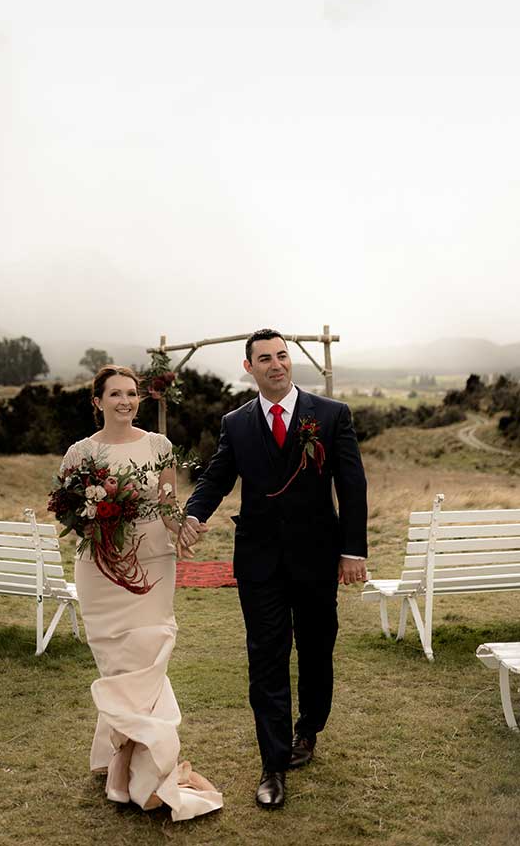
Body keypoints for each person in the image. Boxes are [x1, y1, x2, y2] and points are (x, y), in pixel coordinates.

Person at [181, 329, 367, 809]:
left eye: (282, 355)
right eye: (264, 358)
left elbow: (352, 485)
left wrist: (353, 550)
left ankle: (309, 729)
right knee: (266, 658)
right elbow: (217, 477)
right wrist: (193, 514)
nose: (276, 364)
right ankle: (273, 763)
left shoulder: (332, 415)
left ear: (290, 361)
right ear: (250, 368)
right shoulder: (236, 423)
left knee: (317, 650)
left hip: (317, 558)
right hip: (259, 561)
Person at [60, 365, 223, 822]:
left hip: (152, 565)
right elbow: (70, 516)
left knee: (147, 660)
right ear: (97, 402)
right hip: (100, 569)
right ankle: (123, 760)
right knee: (118, 666)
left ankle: (125, 764)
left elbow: (169, 509)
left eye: (132, 393)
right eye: (115, 394)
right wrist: (99, 519)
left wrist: (185, 528)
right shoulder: (79, 454)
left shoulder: (159, 447)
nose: (126, 401)